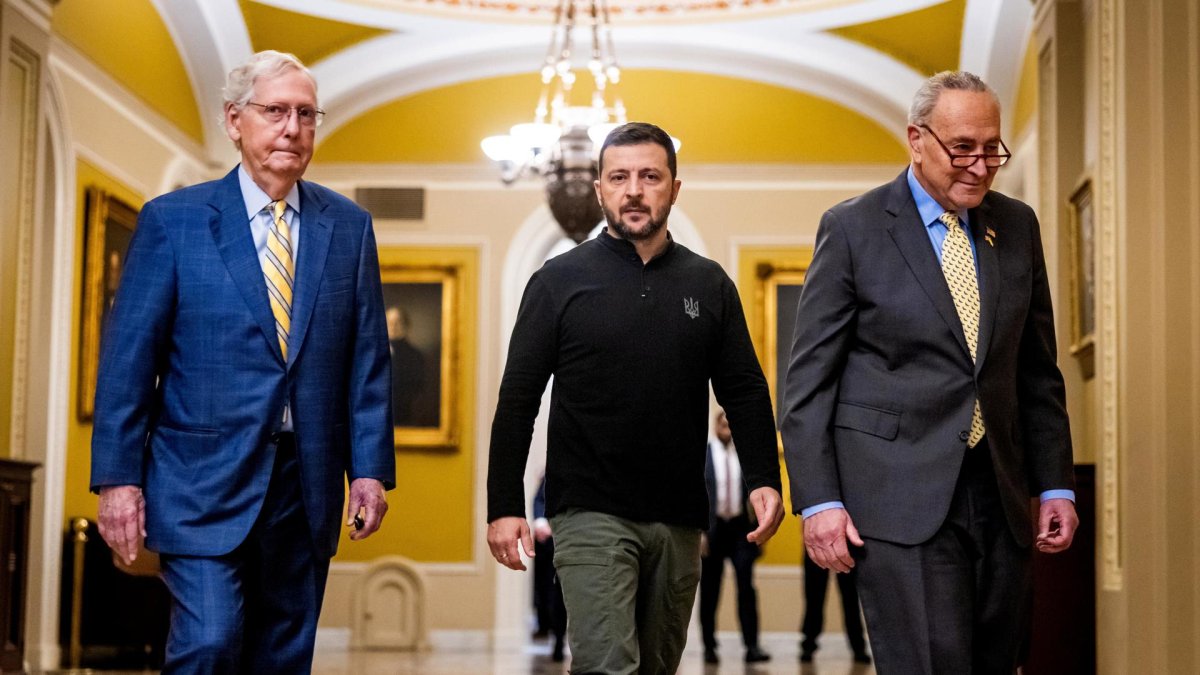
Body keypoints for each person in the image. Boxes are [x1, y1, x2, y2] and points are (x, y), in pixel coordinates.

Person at [90, 50, 395, 674]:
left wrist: (369, 470)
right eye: (275, 111)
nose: (292, 128)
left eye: (306, 114)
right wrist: (118, 480)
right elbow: (128, 364)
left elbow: (367, 363)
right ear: (234, 121)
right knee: (209, 641)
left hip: (303, 482)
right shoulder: (173, 223)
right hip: (197, 480)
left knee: (282, 657)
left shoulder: (349, 227)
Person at [779, 70, 1079, 674]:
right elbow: (808, 384)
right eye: (961, 148)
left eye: (990, 148)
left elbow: (1036, 372)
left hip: (1000, 489)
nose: (979, 164)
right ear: (916, 139)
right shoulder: (854, 227)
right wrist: (819, 502)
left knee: (997, 661)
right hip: (897, 495)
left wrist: (1055, 483)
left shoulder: (1016, 226)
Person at [486, 122, 785, 674]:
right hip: (589, 511)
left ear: (674, 187)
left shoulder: (709, 283)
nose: (634, 190)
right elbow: (518, 399)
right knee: (608, 666)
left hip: (678, 517)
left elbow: (743, 388)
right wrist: (504, 505)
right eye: (619, 177)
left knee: (654, 668)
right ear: (599, 188)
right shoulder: (558, 281)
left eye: (650, 176)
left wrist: (764, 476)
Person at [699, 409, 771, 664]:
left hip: (741, 531)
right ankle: (709, 646)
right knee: (710, 591)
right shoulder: (703, 454)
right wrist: (700, 532)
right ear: (716, 426)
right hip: (713, 531)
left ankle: (752, 646)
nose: (727, 426)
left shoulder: (744, 455)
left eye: (731, 422)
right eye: (722, 422)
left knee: (746, 589)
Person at [799, 551, 869, 663]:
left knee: (849, 598)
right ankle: (858, 646)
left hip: (834, 544)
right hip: (823, 542)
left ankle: (809, 643)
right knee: (815, 595)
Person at [531, 478, 567, 662]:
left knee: (560, 597)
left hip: (569, 543)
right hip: (547, 547)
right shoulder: (549, 476)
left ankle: (559, 639)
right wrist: (540, 523)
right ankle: (546, 627)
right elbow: (539, 500)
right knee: (545, 592)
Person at [386, 305, 427, 426]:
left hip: (404, 413)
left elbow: (417, 388)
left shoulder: (414, 355)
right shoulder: (374, 352)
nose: (393, 326)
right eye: (389, 322)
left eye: (397, 322)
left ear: (405, 325)